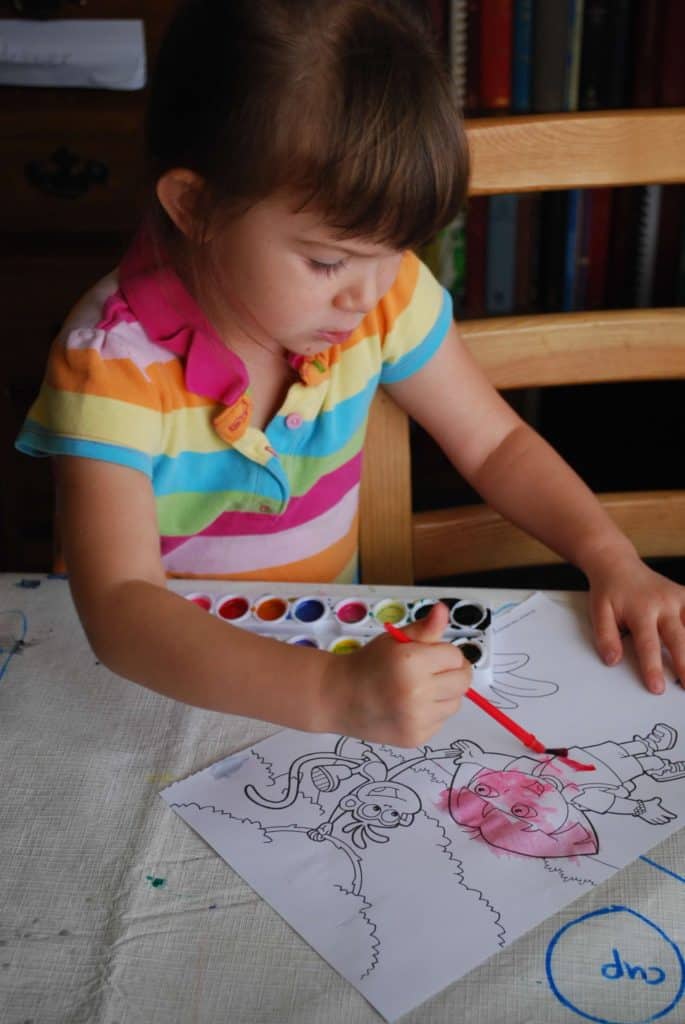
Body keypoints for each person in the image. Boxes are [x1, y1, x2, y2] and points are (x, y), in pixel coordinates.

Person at [16, 0, 684, 749]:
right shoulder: (111, 366)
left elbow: (495, 445)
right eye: (327, 260)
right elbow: (120, 607)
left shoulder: (377, 300)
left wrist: (610, 557)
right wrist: (330, 695)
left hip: (336, 664)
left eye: (396, 249)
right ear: (194, 206)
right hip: (171, 692)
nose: (365, 293)